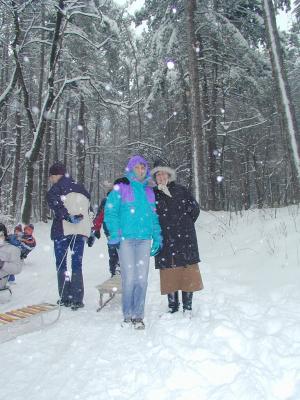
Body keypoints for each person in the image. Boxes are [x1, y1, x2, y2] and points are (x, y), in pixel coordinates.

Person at [104, 155, 162, 329]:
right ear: (130, 169)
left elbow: (153, 217)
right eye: (137, 167)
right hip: (126, 240)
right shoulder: (121, 188)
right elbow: (110, 211)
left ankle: (138, 316)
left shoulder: (149, 192)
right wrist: (115, 232)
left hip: (144, 239)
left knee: (142, 279)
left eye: (143, 167)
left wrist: (157, 236)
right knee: (129, 279)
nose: (141, 170)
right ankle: (127, 314)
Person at [151, 160, 203, 317]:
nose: (161, 177)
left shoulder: (181, 190)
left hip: (185, 238)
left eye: (163, 173)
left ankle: (187, 307)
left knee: (188, 273)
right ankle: (172, 306)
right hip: (165, 239)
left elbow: (194, 209)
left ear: (169, 174)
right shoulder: (152, 194)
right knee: (169, 273)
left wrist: (184, 224)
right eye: (158, 174)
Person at [47, 162, 91, 310]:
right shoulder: (81, 187)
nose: (51, 180)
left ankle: (65, 297)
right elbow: (88, 208)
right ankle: (77, 299)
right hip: (80, 230)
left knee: (62, 264)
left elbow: (52, 200)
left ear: (55, 175)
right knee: (77, 263)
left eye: (51, 177)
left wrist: (66, 216)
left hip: (62, 230)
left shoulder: (58, 187)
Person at [0, 223, 22, 290]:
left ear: (4, 235)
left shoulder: (12, 249)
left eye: (1, 235)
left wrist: (2, 264)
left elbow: (17, 269)